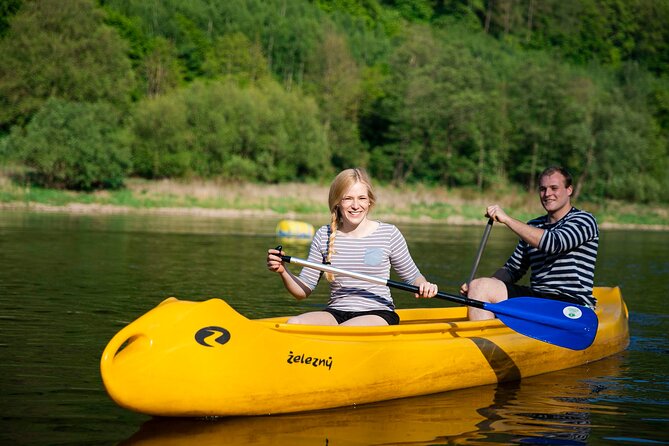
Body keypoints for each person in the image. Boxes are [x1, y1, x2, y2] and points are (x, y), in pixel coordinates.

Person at [267, 168, 438, 326]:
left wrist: (424, 285)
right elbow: (302, 291)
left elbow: (413, 277)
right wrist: (283, 271)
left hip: (378, 314)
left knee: (344, 330)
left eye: (362, 198)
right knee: (295, 323)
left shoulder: (389, 234)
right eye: (348, 198)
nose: (356, 205)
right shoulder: (323, 235)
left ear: (369, 201)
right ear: (337, 203)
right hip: (336, 312)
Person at [460, 166, 599, 321]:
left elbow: (554, 243)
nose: (547, 194)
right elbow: (513, 269)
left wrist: (507, 219)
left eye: (554, 188)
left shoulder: (584, 220)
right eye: (542, 189)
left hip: (572, 305)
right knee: (480, 285)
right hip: (538, 300)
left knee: (483, 287)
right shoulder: (533, 225)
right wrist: (476, 289)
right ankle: (481, 340)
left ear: (569, 190)